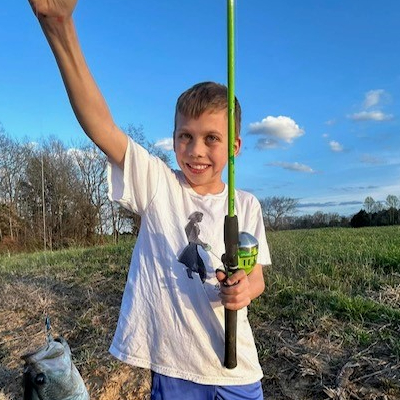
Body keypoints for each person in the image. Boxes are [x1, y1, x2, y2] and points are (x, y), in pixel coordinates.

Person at [28, 2, 272, 399]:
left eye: (211, 138)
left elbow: (256, 274)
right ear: (173, 137)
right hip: (176, 371)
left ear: (235, 147)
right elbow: (101, 127)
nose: (195, 150)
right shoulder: (158, 184)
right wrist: (60, 29)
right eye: (184, 136)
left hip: (237, 368)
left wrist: (246, 290)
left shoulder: (246, 205)